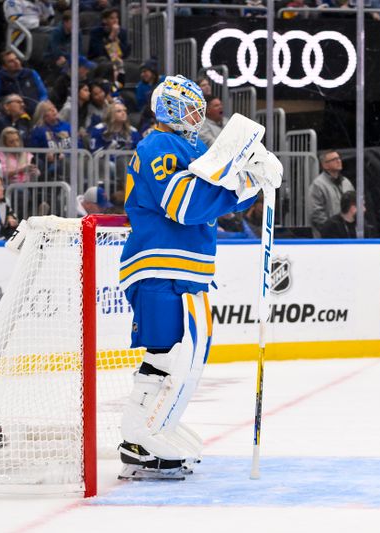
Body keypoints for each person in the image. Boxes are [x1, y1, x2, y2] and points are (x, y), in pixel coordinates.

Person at [117, 75, 282, 480]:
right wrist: (245, 184)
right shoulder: (157, 145)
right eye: (190, 107)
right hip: (159, 266)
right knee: (168, 353)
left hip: (186, 268)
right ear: (169, 109)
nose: (199, 113)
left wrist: (250, 172)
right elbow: (185, 205)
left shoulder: (193, 145)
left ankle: (156, 428)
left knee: (188, 354)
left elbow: (212, 193)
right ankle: (138, 438)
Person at [307, 150, 355, 237]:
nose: (339, 161)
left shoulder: (346, 182)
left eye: (339, 158)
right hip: (327, 239)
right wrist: (333, 229)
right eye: (334, 159)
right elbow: (316, 214)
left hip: (347, 235)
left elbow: (354, 205)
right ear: (325, 165)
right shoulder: (317, 185)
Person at [0, 50, 48, 116]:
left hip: (36, 113)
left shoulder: (31, 73)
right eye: (11, 61)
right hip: (14, 116)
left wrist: (41, 107)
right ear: (4, 67)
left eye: (16, 58)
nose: (16, 62)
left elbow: (43, 94)